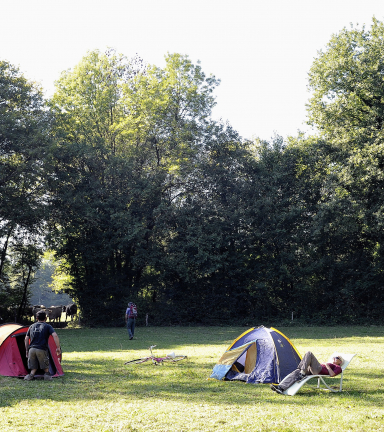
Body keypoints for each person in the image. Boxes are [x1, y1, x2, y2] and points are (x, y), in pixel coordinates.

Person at [270, 351, 344, 394]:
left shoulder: (338, 367)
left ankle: (302, 373)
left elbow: (332, 374)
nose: (334, 358)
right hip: (312, 370)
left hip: (319, 370)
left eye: (337, 358)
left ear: (340, 361)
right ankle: (281, 388)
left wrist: (327, 365)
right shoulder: (329, 363)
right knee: (297, 372)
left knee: (309, 353)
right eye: (334, 357)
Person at [24, 309, 61, 381]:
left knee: (33, 365)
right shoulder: (48, 326)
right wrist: (58, 347)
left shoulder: (31, 326)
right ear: (46, 318)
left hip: (32, 349)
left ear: (36, 318)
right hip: (41, 349)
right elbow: (55, 336)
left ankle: (30, 376)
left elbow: (26, 339)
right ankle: (47, 375)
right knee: (44, 363)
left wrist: (27, 350)